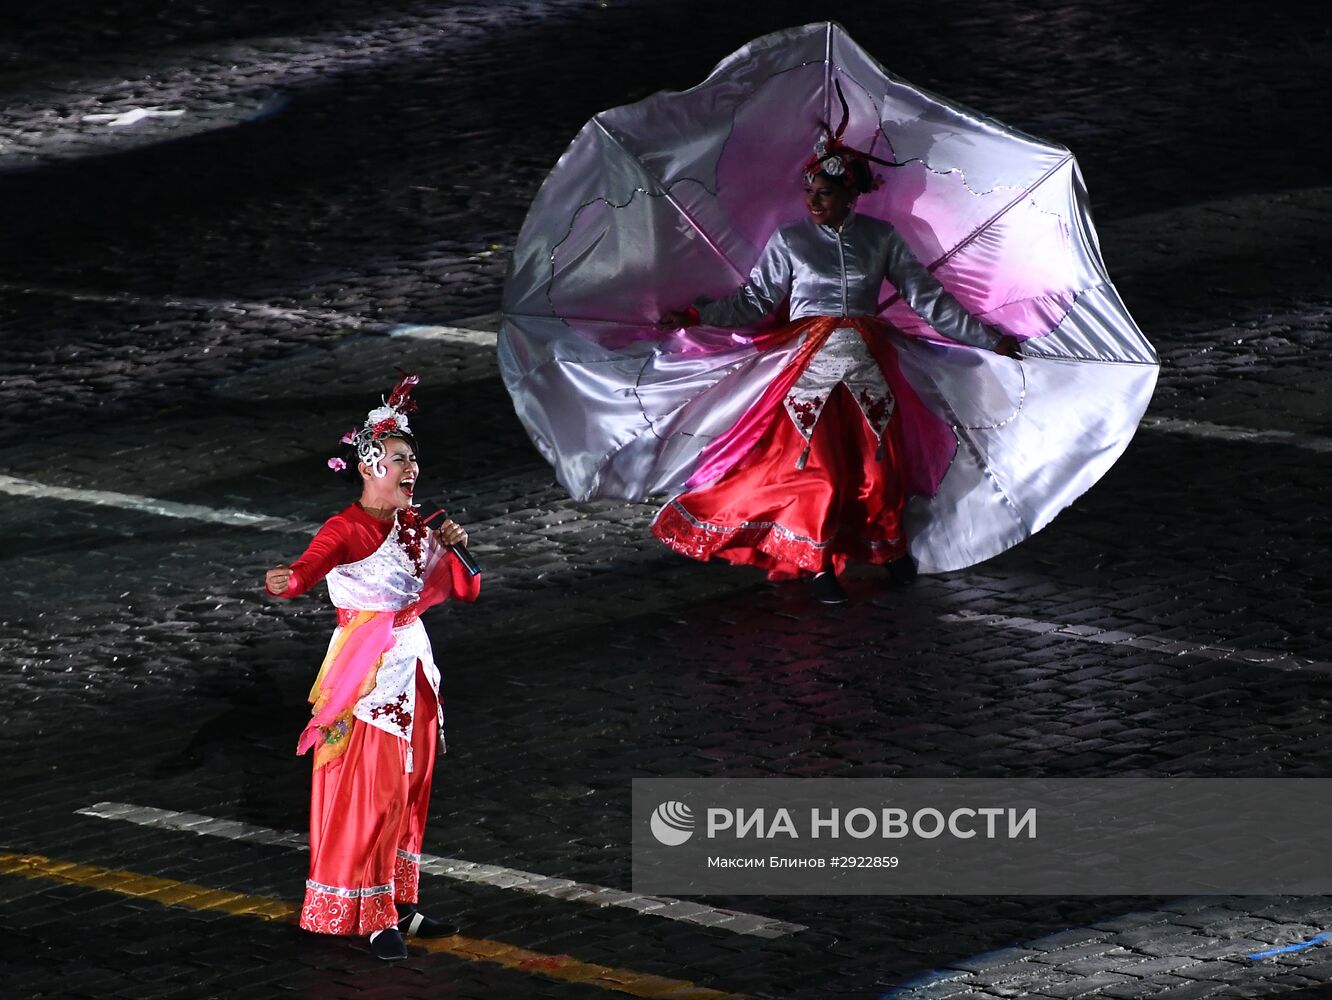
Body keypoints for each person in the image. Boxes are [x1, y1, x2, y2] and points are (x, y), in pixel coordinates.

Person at [654, 118, 1019, 605]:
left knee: (880, 465)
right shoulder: (789, 241)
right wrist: (699, 314)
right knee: (818, 470)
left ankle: (886, 547)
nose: (813, 202)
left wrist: (989, 340)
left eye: (824, 193)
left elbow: (929, 300)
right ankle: (818, 563)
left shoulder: (881, 237)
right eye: (809, 193)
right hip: (808, 370)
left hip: (870, 366)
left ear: (851, 194)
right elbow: (756, 301)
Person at [264, 373, 480, 960]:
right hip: (368, 673)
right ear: (367, 465)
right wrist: (291, 582)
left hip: (416, 668)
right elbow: (311, 566)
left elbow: (465, 590)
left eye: (414, 460)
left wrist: (454, 544)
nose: (411, 470)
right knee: (372, 793)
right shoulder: (348, 528)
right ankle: (368, 912)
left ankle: (400, 905)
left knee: (412, 790)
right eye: (398, 460)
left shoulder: (415, 526)